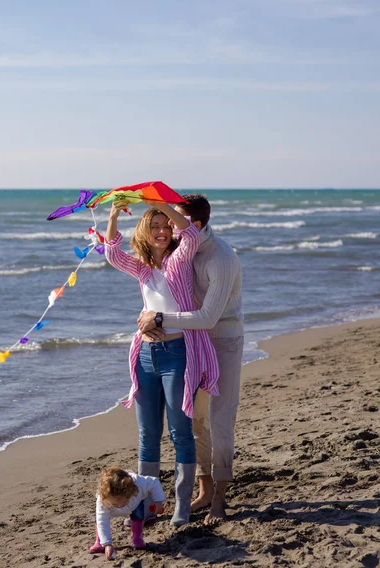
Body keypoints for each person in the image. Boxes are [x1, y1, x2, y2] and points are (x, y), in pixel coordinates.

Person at [104, 199, 219, 526]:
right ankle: (147, 505)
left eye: (166, 226)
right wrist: (113, 214)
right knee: (148, 434)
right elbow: (112, 253)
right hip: (145, 355)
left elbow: (190, 235)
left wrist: (160, 205)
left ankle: (182, 503)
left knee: (180, 431)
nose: (162, 231)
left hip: (178, 353)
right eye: (154, 226)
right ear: (144, 230)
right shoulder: (141, 266)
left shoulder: (180, 259)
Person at [137, 193, 243, 525]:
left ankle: (220, 501)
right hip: (188, 343)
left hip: (221, 339)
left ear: (193, 225)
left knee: (220, 418)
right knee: (194, 421)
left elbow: (209, 317)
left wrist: (159, 320)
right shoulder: (178, 250)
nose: (168, 226)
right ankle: (205, 488)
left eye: (174, 219)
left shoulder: (221, 258)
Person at [89, 466, 165, 559]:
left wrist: (158, 501)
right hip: (108, 508)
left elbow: (154, 482)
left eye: (119, 502)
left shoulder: (139, 483)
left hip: (134, 503)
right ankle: (99, 541)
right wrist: (107, 544)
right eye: (113, 503)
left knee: (138, 514)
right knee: (99, 518)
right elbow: (102, 521)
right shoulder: (103, 500)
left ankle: (137, 537)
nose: (117, 506)